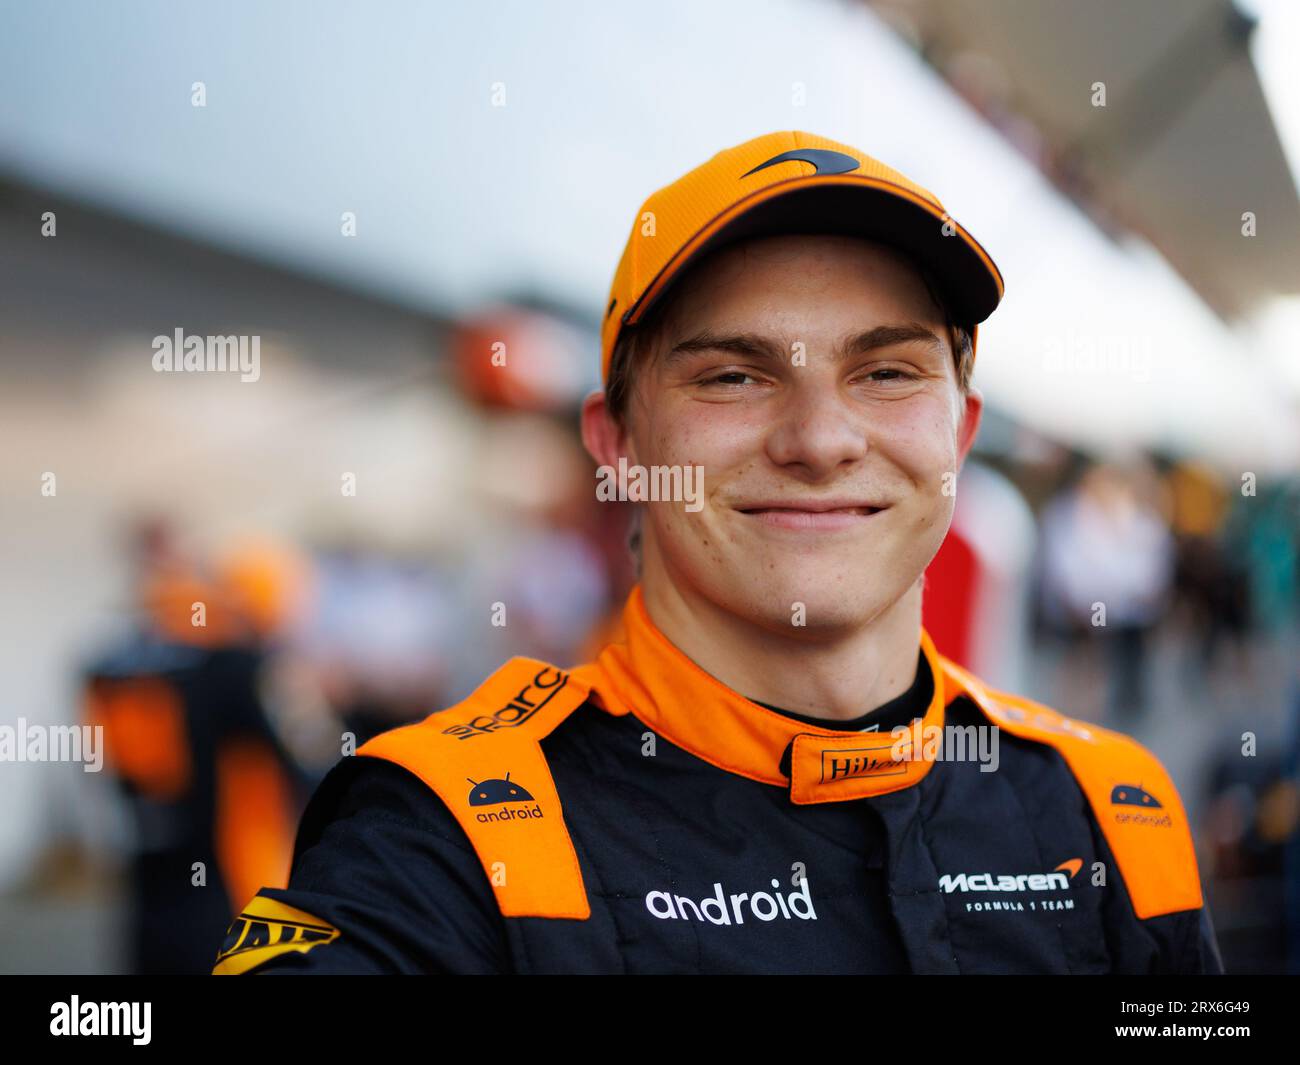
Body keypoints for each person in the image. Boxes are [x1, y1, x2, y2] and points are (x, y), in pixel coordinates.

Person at [212, 131, 1223, 974]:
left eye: (885, 371)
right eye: (733, 377)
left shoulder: (1114, 812)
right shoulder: (448, 838)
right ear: (616, 445)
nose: (821, 440)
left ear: (958, 432)